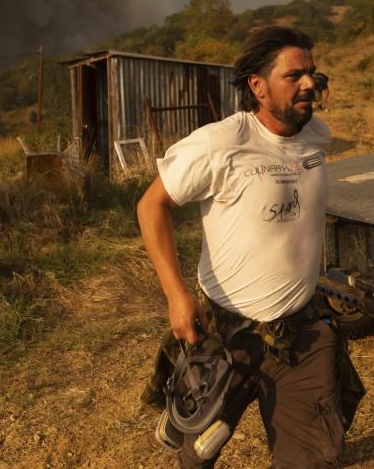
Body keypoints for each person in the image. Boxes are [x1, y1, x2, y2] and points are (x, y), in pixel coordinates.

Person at [137, 26, 362, 468]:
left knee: (315, 458)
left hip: (303, 332)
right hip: (225, 334)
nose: (309, 84)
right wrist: (176, 297)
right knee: (196, 452)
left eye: (313, 74)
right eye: (294, 75)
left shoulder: (317, 135)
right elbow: (151, 206)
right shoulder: (221, 142)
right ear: (257, 86)